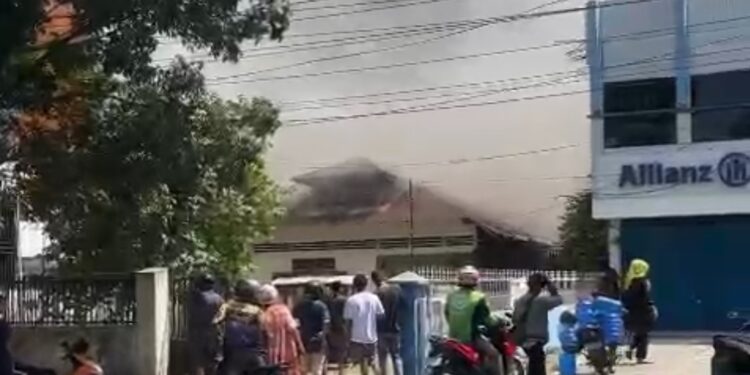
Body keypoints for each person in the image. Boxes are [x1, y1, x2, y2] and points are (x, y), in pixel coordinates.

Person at [444, 266, 500, 375]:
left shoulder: (451, 295)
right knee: (494, 354)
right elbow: (487, 319)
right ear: (475, 280)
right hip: (471, 338)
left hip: (453, 337)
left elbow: (446, 313)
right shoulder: (478, 297)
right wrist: (498, 322)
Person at [512, 273, 563, 375]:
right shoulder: (542, 301)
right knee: (537, 369)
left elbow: (515, 319)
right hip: (536, 341)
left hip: (523, 340)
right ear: (540, 286)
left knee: (532, 367)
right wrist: (549, 284)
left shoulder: (520, 300)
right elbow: (559, 299)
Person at [214, 279, 265, 375]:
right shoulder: (257, 311)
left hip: (232, 353)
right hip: (253, 353)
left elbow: (216, 323)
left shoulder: (227, 306)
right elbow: (265, 329)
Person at [259, 284, 304, 375]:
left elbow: (262, 335)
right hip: (288, 356)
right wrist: (300, 347)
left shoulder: (262, 314)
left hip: (270, 358)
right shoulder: (284, 310)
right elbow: (294, 330)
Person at [344, 274, 384, 375]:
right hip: (371, 337)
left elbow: (348, 321)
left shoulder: (351, 300)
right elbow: (381, 314)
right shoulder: (374, 298)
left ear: (354, 285)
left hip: (356, 338)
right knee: (374, 363)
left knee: (360, 363)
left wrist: (347, 339)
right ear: (366, 284)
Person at [187, 274, 225, 375]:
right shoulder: (218, 298)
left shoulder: (196, 297)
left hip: (197, 333)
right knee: (214, 360)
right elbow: (221, 315)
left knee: (199, 361)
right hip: (213, 332)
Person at [622, 259, 656, 364]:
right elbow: (644, 298)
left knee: (640, 334)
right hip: (643, 311)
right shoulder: (643, 283)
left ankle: (631, 349)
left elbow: (627, 297)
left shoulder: (629, 282)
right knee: (644, 335)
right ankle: (640, 357)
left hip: (632, 312)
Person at [293, 282, 330, 375]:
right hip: (317, 343)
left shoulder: (299, 306)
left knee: (304, 370)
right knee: (317, 370)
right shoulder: (321, 306)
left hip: (303, 342)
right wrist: (323, 336)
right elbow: (326, 323)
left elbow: (295, 324)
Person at [371, 271, 403, 375]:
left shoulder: (375, 294)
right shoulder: (396, 290)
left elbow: (374, 313)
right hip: (395, 328)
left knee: (382, 359)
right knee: (396, 357)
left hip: (381, 330)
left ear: (374, 280)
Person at [326, 281, 349, 375]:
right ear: (340, 288)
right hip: (342, 327)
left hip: (330, 326)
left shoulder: (327, 300)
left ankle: (326, 370)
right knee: (341, 350)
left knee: (328, 349)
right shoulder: (344, 300)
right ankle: (341, 371)